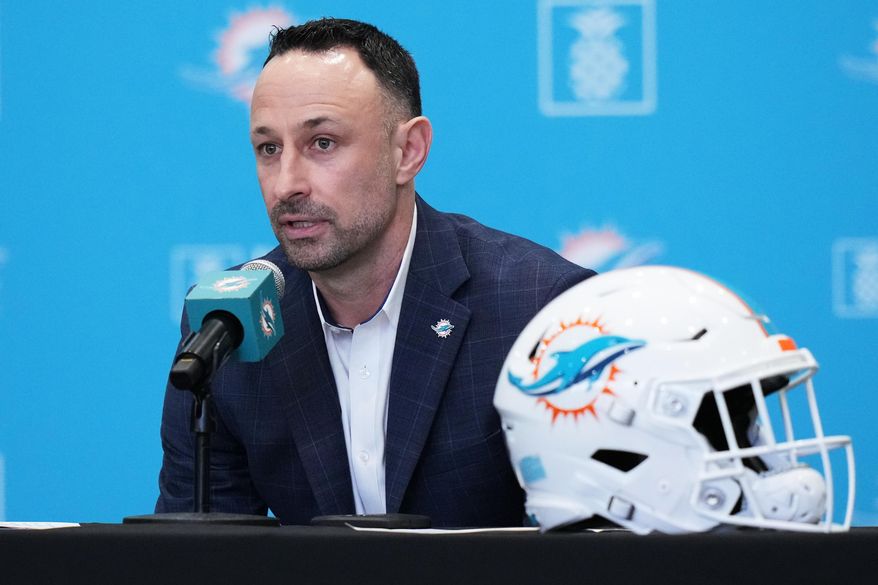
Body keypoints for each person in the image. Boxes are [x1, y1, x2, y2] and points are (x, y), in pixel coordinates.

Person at [156, 17, 595, 527]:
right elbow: (200, 556)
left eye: (322, 143)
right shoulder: (230, 325)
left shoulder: (542, 311)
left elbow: (596, 550)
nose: (286, 184)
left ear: (408, 151)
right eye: (269, 149)